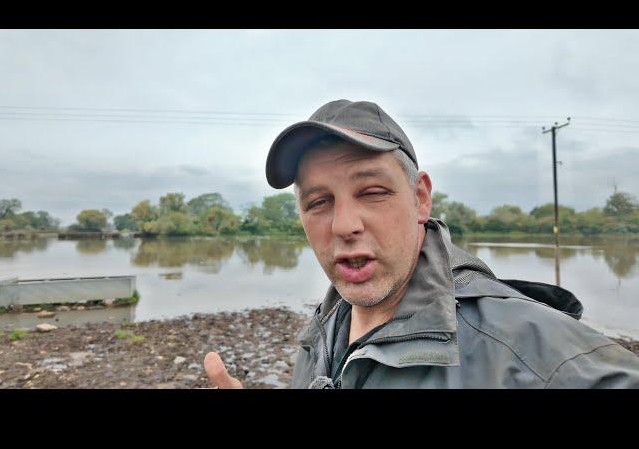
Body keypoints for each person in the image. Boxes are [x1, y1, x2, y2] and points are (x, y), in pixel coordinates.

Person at [204, 99, 639, 389]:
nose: (343, 225)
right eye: (318, 202)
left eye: (372, 192)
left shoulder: (534, 356)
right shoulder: (321, 331)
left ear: (420, 198)